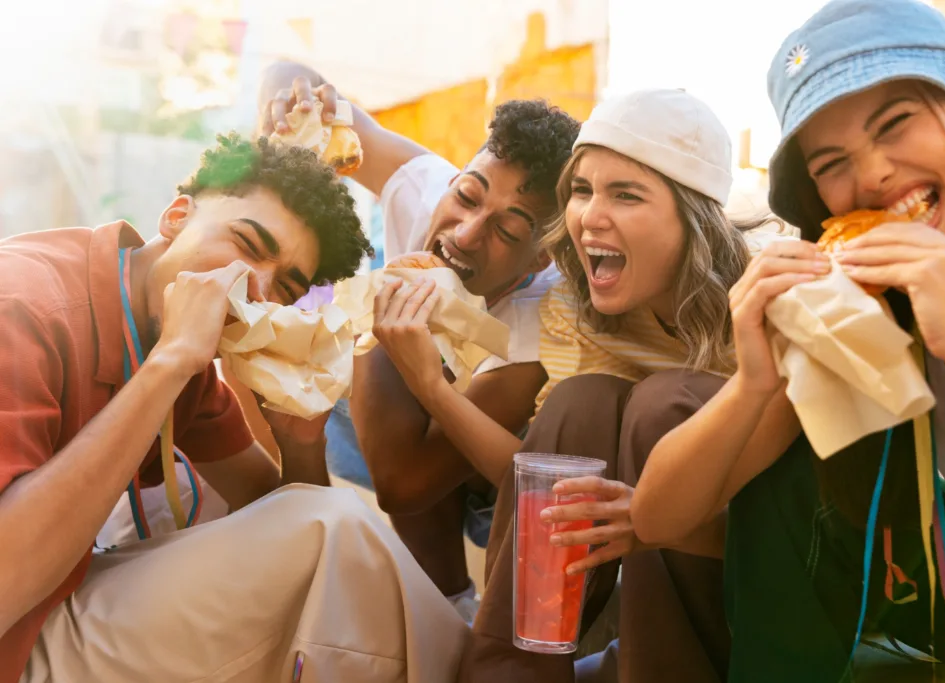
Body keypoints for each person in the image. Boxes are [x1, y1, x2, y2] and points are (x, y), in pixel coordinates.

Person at [633, 2, 945, 681]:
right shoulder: (864, 306)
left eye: (896, 121)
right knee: (795, 469)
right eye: (832, 161)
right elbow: (658, 517)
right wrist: (756, 380)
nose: (871, 175)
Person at [0, 133, 468, 683]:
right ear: (176, 217)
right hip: (19, 637)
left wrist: (301, 443)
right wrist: (169, 363)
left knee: (325, 537)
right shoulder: (24, 306)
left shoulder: (179, 344)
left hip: (63, 600)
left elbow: (277, 529)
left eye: (286, 286)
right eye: (247, 244)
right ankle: (487, 669)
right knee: (333, 525)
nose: (256, 286)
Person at [458, 89, 784, 683]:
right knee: (577, 402)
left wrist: (658, 511)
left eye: (626, 195)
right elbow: (535, 468)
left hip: (757, 560)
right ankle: (512, 668)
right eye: (581, 190)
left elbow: (809, 508)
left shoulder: (768, 294)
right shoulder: (576, 305)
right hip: (642, 534)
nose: (588, 216)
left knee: (666, 402)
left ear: (693, 217)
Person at [260, 62, 580, 616]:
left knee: (417, 354)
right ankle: (261, 524)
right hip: (369, 420)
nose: (465, 233)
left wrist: (390, 330)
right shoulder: (425, 188)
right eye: (468, 195)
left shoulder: (537, 325)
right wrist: (294, 106)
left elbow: (404, 483)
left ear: (542, 257)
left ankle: (452, 602)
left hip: (491, 479)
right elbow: (293, 78)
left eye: (508, 231)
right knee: (265, 320)